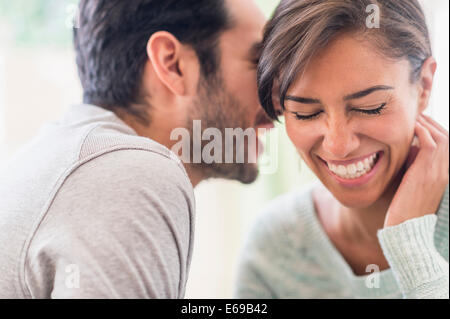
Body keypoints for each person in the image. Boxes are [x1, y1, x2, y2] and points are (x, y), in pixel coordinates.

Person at [0, 0, 271, 298]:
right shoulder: (127, 172)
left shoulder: (67, 155)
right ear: (172, 64)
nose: (279, 101)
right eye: (258, 64)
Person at [235, 0, 449, 299]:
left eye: (369, 108)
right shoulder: (275, 245)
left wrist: (410, 246)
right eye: (305, 113)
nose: (338, 145)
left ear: (424, 86)